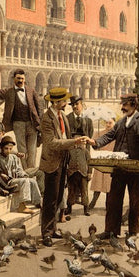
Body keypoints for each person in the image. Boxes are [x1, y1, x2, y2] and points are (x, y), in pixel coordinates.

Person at [87, 93, 139, 239]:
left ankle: (133, 231)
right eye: (122, 104)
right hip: (119, 167)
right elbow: (109, 136)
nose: (122, 107)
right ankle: (111, 230)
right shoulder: (120, 122)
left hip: (135, 168)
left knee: (134, 201)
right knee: (113, 199)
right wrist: (95, 142)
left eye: (125, 104)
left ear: (133, 105)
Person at [39, 87, 89, 246]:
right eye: (63, 101)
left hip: (63, 161)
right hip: (52, 161)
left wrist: (76, 143)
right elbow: (51, 143)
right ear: (55, 102)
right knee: (50, 199)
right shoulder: (47, 118)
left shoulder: (63, 117)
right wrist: (74, 142)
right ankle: (46, 232)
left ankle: (53, 229)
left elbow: (66, 136)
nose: (67, 103)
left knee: (59, 196)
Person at [0, 136, 42, 214]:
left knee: (32, 181)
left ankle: (38, 202)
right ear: (1, 148)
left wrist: (24, 175)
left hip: (15, 180)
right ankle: (22, 206)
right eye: (6, 148)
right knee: (25, 181)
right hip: (6, 183)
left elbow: (19, 170)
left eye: (10, 149)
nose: (8, 151)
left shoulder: (14, 157)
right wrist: (1, 174)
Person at [66, 95, 94, 216]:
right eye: (73, 105)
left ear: (82, 105)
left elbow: (90, 134)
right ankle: (69, 206)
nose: (75, 107)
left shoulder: (88, 120)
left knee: (84, 187)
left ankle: (85, 207)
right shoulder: (68, 118)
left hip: (83, 152)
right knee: (71, 187)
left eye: (77, 104)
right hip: (71, 151)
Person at [88, 117, 116, 211]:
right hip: (100, 160)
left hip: (110, 160)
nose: (108, 125)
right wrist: (96, 144)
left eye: (110, 123)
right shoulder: (99, 133)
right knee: (98, 183)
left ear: (114, 123)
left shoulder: (116, 134)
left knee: (109, 184)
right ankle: (93, 202)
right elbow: (94, 146)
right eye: (107, 123)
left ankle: (108, 204)